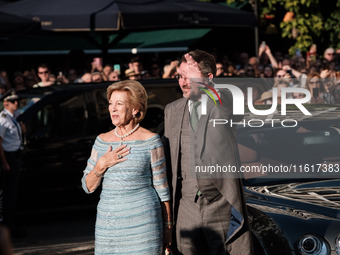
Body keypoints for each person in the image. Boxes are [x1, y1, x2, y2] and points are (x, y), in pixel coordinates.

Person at [162, 50, 253, 255]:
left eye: (189, 77)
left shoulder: (224, 104)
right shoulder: (172, 110)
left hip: (219, 202)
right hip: (185, 203)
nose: (183, 82)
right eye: (180, 77)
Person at [81, 80, 172, 254]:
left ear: (135, 109)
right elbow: (88, 186)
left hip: (144, 226)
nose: (112, 108)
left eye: (119, 104)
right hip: (108, 227)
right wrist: (101, 165)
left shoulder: (151, 141)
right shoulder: (101, 141)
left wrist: (168, 226)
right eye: (110, 104)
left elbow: (162, 188)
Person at [0, 93, 24, 237]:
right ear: (5, 104)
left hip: (16, 155)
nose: (16, 103)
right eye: (13, 101)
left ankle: (13, 225)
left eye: (17, 100)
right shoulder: (2, 120)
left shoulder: (14, 117)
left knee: (15, 192)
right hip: (9, 157)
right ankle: (8, 227)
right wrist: (4, 162)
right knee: (9, 194)